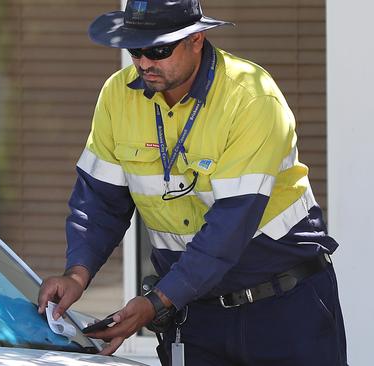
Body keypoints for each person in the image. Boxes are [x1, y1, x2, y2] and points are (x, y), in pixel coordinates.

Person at [37, 0, 347, 365]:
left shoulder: (250, 97)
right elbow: (99, 201)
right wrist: (77, 274)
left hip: (283, 307)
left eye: (158, 49)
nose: (144, 62)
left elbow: (231, 225)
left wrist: (157, 302)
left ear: (196, 39)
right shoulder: (116, 96)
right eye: (135, 49)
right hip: (194, 313)